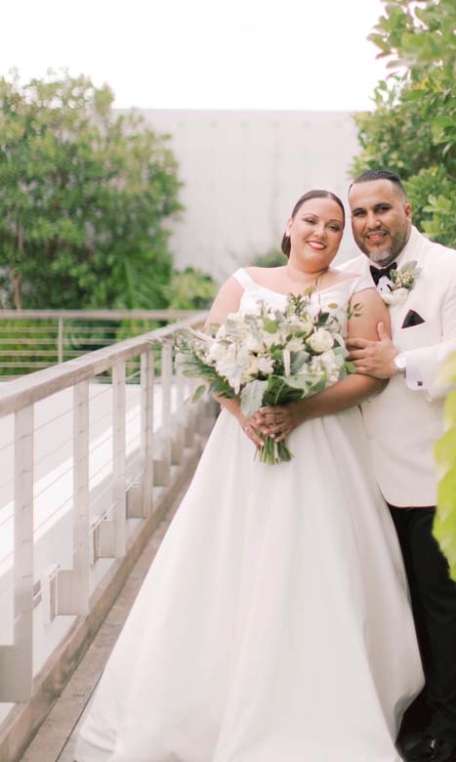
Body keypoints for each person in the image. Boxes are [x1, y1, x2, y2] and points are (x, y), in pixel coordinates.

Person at [75, 188, 423, 762]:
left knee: (321, 570)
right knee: (229, 568)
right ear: (289, 225)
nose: (323, 232)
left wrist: (300, 410)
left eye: (336, 226)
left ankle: (321, 711)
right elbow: (211, 361)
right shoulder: (245, 282)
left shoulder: (357, 291)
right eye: (312, 220)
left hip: (326, 449)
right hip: (244, 451)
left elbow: (373, 376)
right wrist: (246, 418)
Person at [342, 170, 456, 762]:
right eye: (359, 214)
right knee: (400, 609)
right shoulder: (348, 280)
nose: (370, 223)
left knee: (453, 614)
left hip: (445, 474)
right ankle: (418, 722)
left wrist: (399, 356)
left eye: (382, 209)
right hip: (369, 478)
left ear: (407, 209)